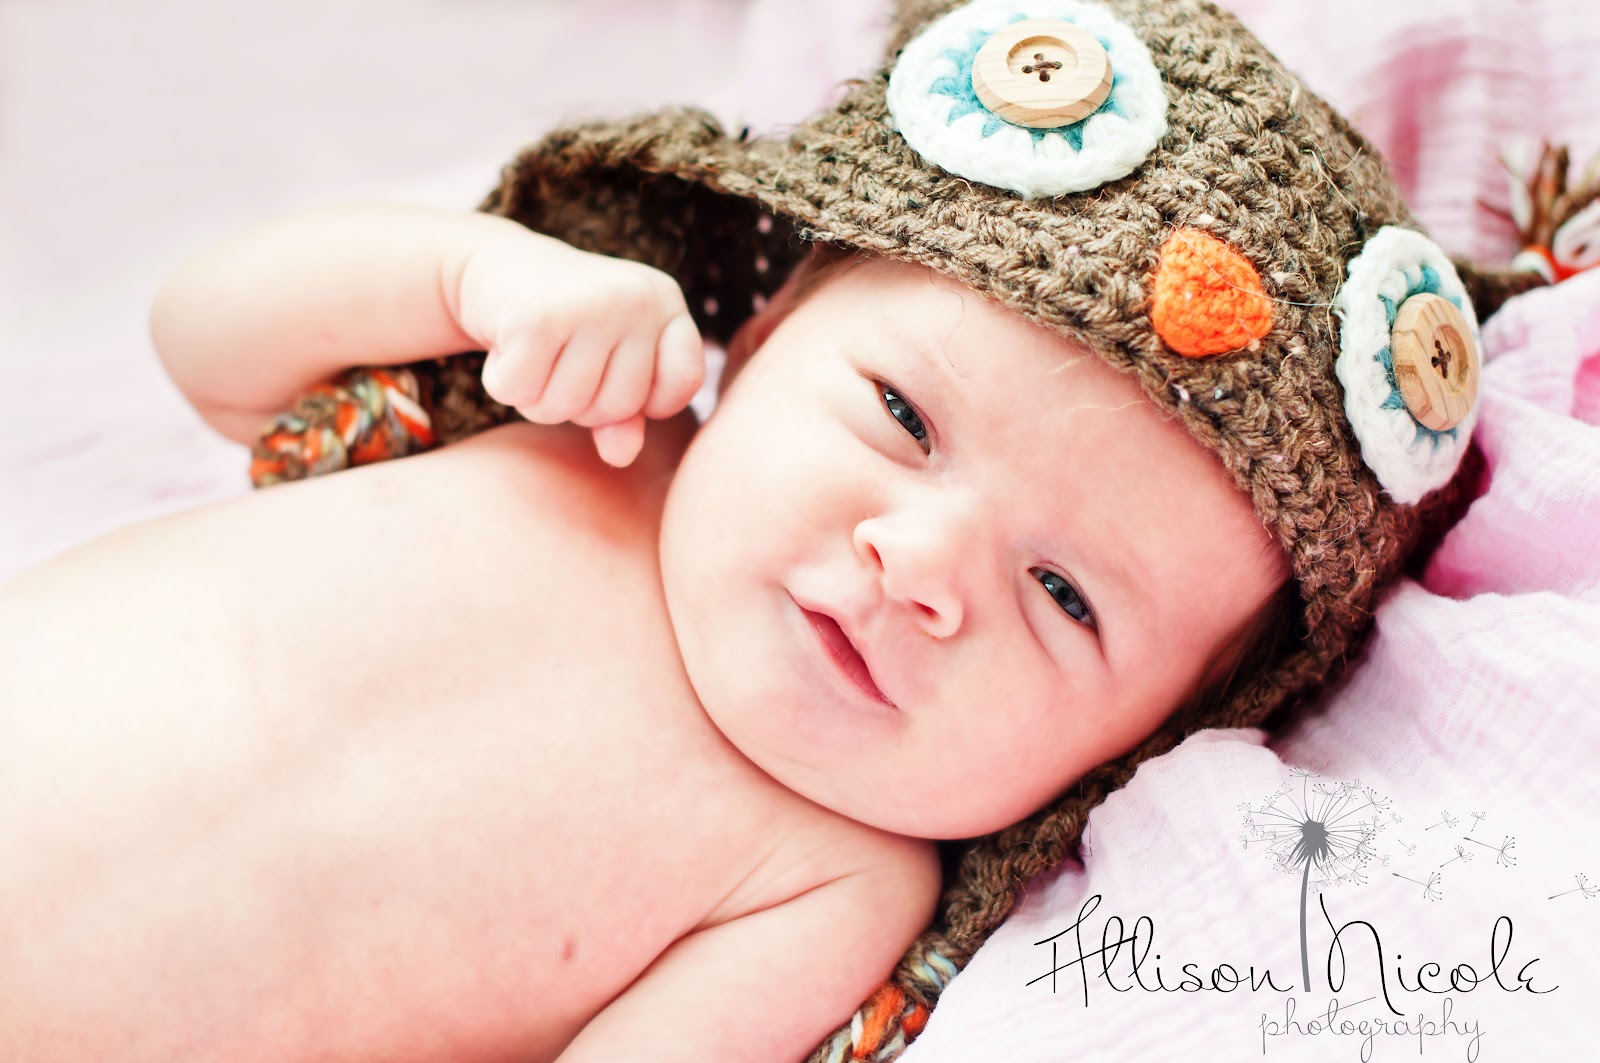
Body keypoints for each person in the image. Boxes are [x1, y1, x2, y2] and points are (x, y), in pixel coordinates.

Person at [0, 0, 1488, 1060]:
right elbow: (206, 345)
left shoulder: (831, 884)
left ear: (1140, 744)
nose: (922, 568)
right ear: (764, 333)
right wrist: (476, 280)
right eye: (903, 418)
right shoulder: (581, 419)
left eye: (1064, 594)